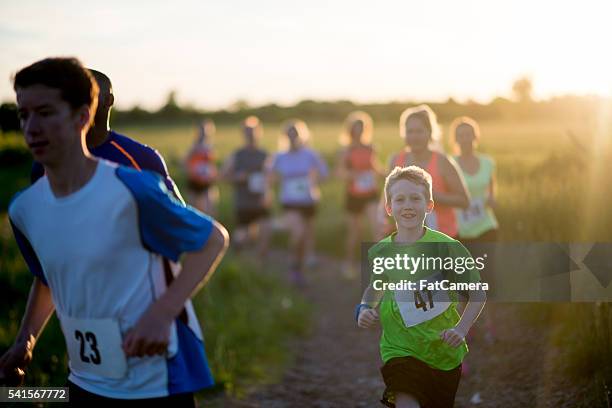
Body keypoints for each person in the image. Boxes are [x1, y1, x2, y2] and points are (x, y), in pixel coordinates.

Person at [1, 57, 229, 404]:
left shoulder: (134, 185)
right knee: (21, 398)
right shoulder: (23, 208)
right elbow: (48, 277)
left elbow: (211, 238)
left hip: (156, 375)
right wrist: (24, 342)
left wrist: (161, 313)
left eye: (45, 113)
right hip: (85, 377)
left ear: (83, 115)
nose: (31, 127)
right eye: (23, 114)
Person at [357, 166, 486, 408]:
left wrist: (461, 329)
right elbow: (375, 287)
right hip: (399, 348)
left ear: (429, 205)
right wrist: (364, 308)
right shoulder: (381, 251)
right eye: (400, 199)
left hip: (443, 350)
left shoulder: (448, 248)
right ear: (389, 208)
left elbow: (478, 293)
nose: (408, 205)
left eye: (416, 198)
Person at [30, 69, 183, 202]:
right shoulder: (47, 164)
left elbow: (179, 219)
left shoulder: (142, 158)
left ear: (108, 100)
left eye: (87, 94)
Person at [378, 105, 469, 239]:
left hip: (442, 239)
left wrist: (430, 196)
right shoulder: (395, 160)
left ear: (430, 132)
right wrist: (383, 222)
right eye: (410, 131)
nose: (414, 136)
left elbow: (464, 201)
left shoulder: (442, 162)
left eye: (419, 131)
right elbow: (386, 200)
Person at [452, 116, 499, 343]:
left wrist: (492, 200)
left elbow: (491, 192)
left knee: (485, 278)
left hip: (486, 226)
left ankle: (489, 325)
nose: (465, 139)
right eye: (460, 135)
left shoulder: (488, 162)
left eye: (468, 134)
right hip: (461, 229)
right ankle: (464, 328)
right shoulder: (450, 164)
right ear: (455, 139)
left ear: (475, 137)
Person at [268, 120, 328, 285]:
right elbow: (269, 177)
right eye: (290, 134)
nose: (293, 137)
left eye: (295, 134)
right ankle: (294, 266)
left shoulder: (310, 154)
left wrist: (313, 180)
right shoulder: (279, 156)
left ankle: (301, 266)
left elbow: (324, 173)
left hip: (308, 199)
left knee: (306, 234)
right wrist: (273, 181)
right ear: (285, 136)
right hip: (290, 201)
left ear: (302, 135)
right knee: (298, 233)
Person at [335, 111, 384, 279]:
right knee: (355, 232)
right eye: (356, 128)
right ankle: (349, 263)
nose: (359, 131)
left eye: (362, 128)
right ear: (350, 130)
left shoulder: (371, 148)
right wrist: (352, 175)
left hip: (370, 193)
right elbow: (339, 173)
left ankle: (380, 269)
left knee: (377, 226)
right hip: (353, 195)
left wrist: (385, 173)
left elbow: (375, 167)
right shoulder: (345, 151)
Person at [220, 116, 271, 256]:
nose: (251, 134)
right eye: (247, 132)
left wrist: (267, 193)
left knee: (265, 232)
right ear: (243, 134)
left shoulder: (264, 154)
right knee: (243, 237)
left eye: (253, 131)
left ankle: (260, 265)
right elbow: (223, 176)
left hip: (260, 201)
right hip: (243, 202)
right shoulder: (237, 155)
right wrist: (237, 177)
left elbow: (271, 177)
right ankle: (238, 260)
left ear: (259, 132)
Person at [185, 119, 218, 215]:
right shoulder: (193, 147)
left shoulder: (210, 147)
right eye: (202, 131)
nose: (204, 133)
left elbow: (211, 165)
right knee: (193, 210)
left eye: (206, 131)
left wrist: (212, 174)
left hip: (207, 182)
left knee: (210, 210)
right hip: (194, 182)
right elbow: (185, 162)